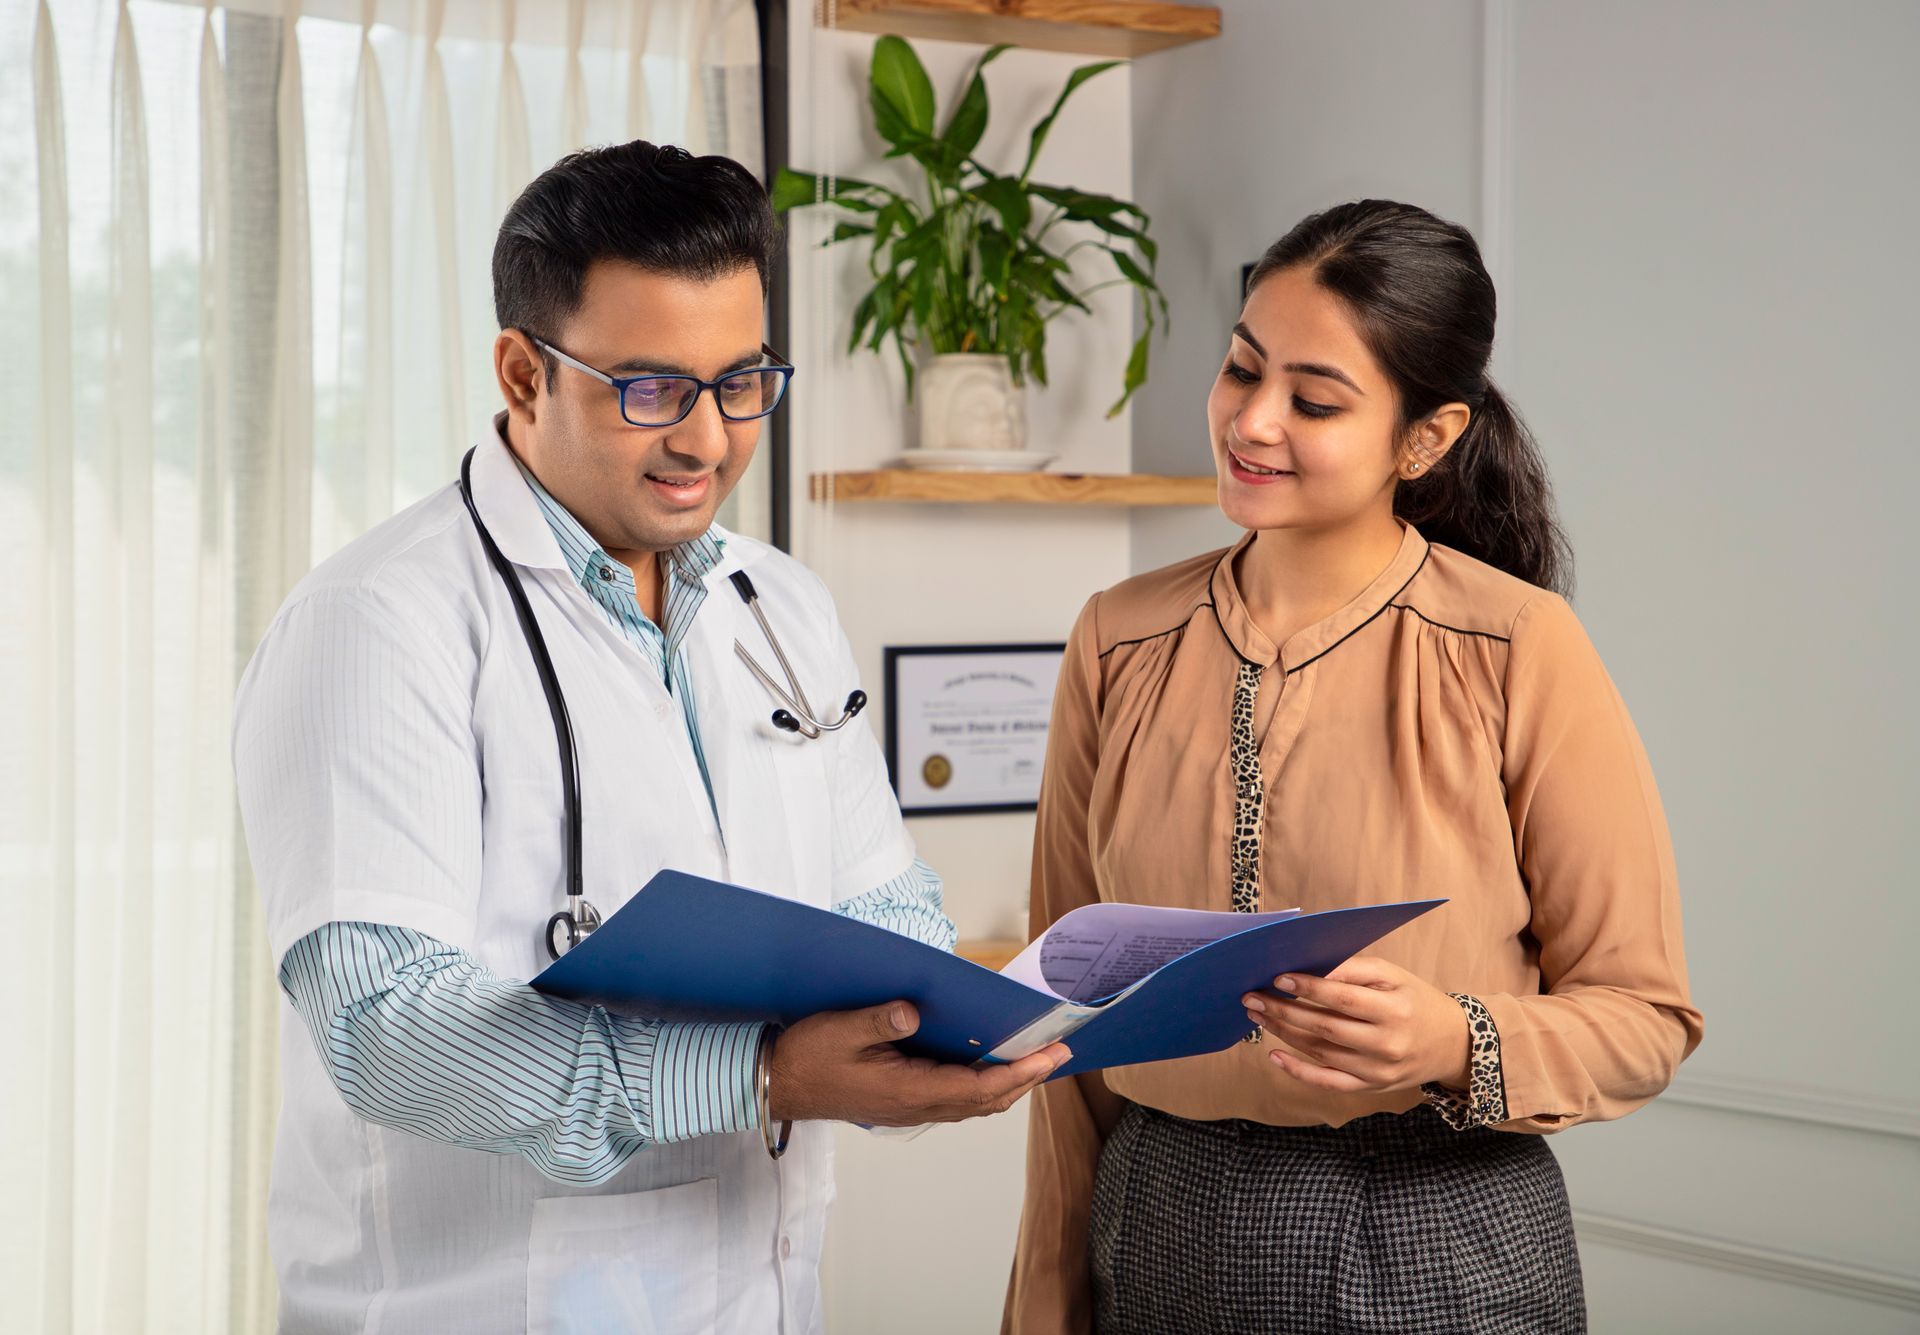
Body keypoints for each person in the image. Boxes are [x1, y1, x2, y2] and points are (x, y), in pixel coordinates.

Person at [234, 140, 1067, 1335]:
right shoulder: (378, 622)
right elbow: (385, 1026)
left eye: (742, 382)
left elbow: (884, 907)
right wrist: (762, 1075)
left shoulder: (779, 605)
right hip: (476, 1306)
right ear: (524, 373)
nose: (709, 440)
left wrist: (935, 1040)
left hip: (761, 1292)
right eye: (652, 389)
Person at [1003, 199, 1703, 1334]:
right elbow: (1062, 1018)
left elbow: (1645, 1018)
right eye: (1242, 370)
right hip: (1157, 1220)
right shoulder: (1117, 635)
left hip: (1439, 1232)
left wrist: (1451, 1039)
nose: (1253, 421)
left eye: (1315, 400)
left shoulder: (1516, 646)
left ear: (1424, 439)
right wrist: (1046, 1292)